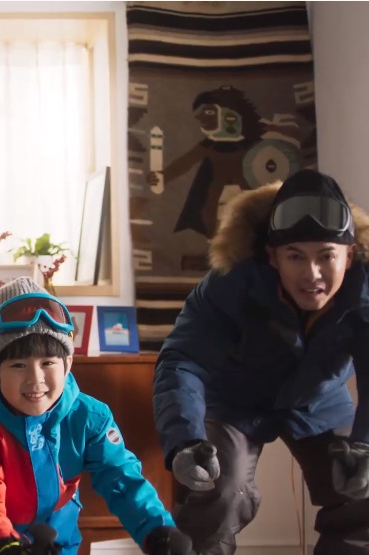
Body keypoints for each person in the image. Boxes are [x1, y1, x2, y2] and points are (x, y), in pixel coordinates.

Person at [153, 168, 369, 554]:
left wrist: (365, 446)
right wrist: (185, 440)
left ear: (349, 256)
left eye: (327, 256)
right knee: (221, 488)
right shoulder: (228, 283)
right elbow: (182, 361)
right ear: (273, 257)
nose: (313, 274)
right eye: (295, 256)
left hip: (318, 398)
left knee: (363, 490)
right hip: (233, 399)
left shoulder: (365, 293)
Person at [0, 277, 192, 555]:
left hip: (59, 545)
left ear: (67, 365)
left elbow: (121, 478)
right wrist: (4, 545)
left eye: (47, 362)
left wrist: (157, 529)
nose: (35, 379)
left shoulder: (91, 418)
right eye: (18, 365)